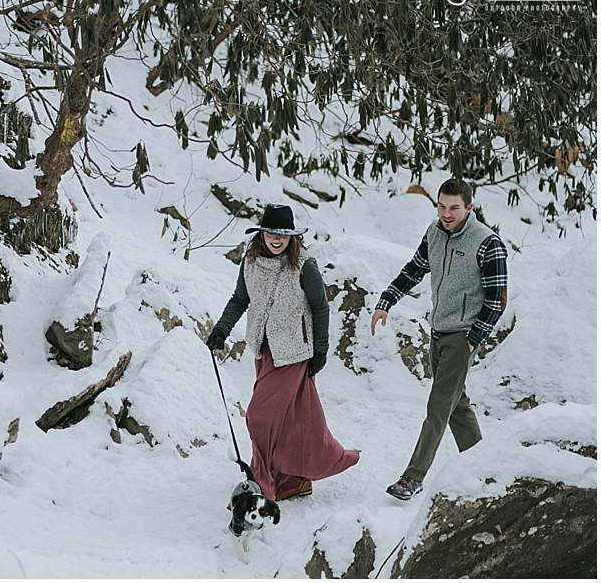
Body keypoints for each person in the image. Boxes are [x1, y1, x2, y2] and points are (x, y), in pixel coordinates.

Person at [207, 203, 360, 501]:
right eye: (272, 233)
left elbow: (320, 308)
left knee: (259, 417)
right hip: (264, 352)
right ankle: (293, 481)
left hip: (293, 354)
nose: (277, 239)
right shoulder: (250, 263)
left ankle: (261, 485)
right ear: (262, 234)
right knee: (291, 421)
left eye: (284, 234)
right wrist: (221, 329)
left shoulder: (304, 267)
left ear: (293, 237)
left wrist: (320, 351)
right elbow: (240, 299)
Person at [371, 179, 508, 500]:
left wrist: (473, 339)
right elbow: (413, 271)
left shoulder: (488, 243)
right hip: (438, 333)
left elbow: (496, 299)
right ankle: (485, 468)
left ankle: (412, 478)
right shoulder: (434, 233)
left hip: (462, 338)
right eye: (441, 206)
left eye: (454, 208)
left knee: (437, 408)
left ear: (469, 208)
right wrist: (385, 301)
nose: (446, 214)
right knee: (456, 406)